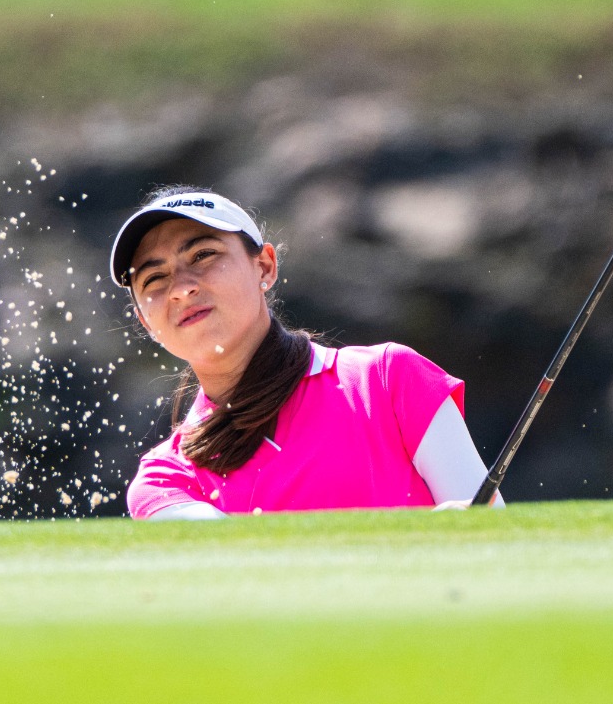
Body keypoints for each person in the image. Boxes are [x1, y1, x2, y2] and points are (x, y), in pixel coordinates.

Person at [111, 186, 502, 520]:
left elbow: (491, 538)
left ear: (264, 266)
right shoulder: (164, 479)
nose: (182, 288)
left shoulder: (388, 378)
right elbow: (241, 569)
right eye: (155, 278)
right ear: (146, 323)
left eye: (202, 256)